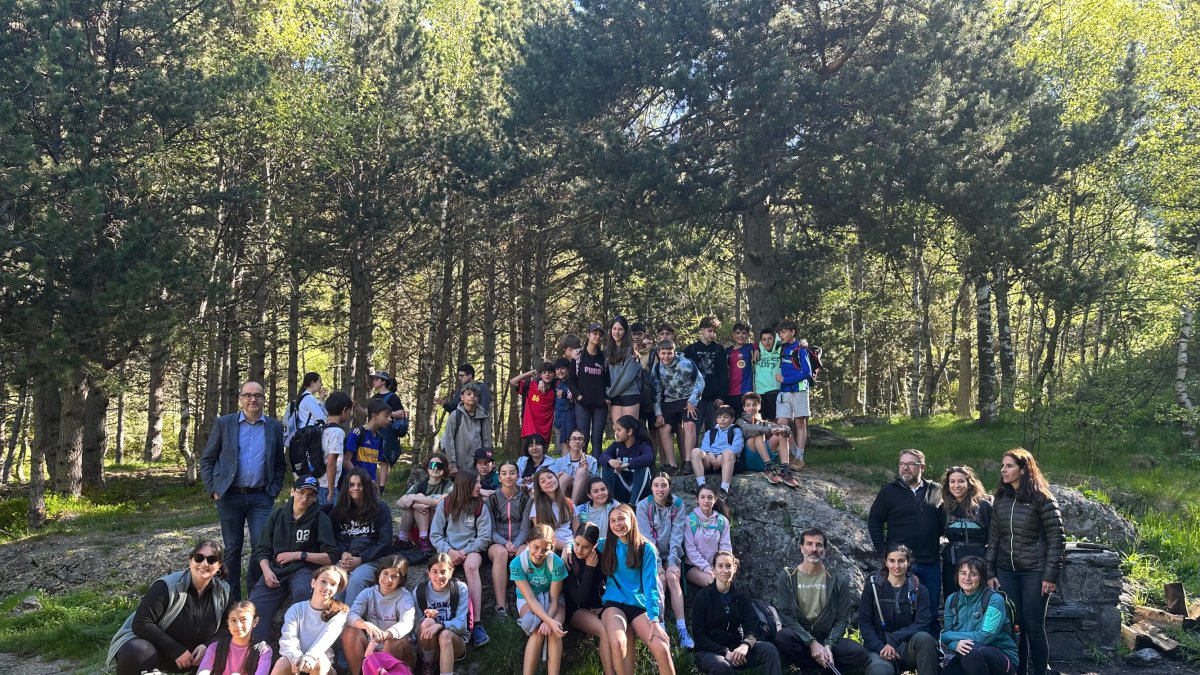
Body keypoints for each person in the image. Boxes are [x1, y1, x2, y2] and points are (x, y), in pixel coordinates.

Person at [200, 380, 286, 599]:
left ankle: (256, 596)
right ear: (241, 398)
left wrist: (272, 490)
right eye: (248, 395)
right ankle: (232, 597)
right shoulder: (225, 423)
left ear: (264, 399)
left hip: (261, 497)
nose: (253, 399)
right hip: (229, 496)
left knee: (261, 546)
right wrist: (214, 489)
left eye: (258, 395)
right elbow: (208, 459)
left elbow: (279, 463)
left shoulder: (274, 427)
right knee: (232, 548)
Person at [987, 448, 1065, 675]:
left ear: (1024, 469)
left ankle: (1040, 671)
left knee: (1033, 626)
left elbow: (1056, 539)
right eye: (1002, 465)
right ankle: (1019, 671)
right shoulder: (1000, 499)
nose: (1004, 470)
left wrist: (1049, 576)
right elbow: (993, 538)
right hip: (1006, 572)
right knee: (1015, 625)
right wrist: (991, 572)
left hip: (1034, 573)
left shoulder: (1042, 498)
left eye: (1009, 466)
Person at [107, 540, 231, 675]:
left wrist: (207, 646)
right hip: (158, 652)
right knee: (137, 649)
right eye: (199, 558)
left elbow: (227, 628)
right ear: (190, 561)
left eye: (211, 560)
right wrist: (176, 651)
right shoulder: (166, 586)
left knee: (226, 649)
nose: (204, 564)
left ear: (219, 566)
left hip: (195, 659)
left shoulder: (224, 592)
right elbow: (141, 623)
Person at [249, 475, 338, 642]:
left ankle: (300, 646)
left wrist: (299, 555)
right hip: (275, 569)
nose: (304, 498)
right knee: (254, 606)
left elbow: (330, 556)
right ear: (292, 491)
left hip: (303, 569)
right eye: (301, 492)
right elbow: (262, 549)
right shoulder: (277, 515)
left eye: (310, 495)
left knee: (304, 593)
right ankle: (260, 654)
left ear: (315, 497)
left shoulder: (320, 519)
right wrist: (266, 571)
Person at [772, 528, 870, 672]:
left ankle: (815, 668)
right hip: (800, 638)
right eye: (809, 544)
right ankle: (815, 669)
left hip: (826, 638)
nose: (814, 549)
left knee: (859, 653)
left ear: (825, 550)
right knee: (783, 637)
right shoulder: (787, 577)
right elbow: (786, 615)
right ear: (801, 548)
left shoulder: (837, 580)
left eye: (819, 545)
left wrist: (828, 645)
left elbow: (843, 619)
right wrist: (811, 643)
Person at [868, 448, 943, 625]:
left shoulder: (936, 490)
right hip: (900, 564)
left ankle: (933, 648)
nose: (905, 468)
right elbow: (874, 522)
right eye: (902, 464)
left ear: (922, 467)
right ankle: (902, 649)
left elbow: (943, 520)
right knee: (902, 611)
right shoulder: (889, 491)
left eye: (910, 464)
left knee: (931, 611)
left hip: (930, 562)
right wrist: (884, 552)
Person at [599, 504, 676, 675]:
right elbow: (580, 542)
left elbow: (650, 586)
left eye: (621, 519)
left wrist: (655, 620)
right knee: (619, 642)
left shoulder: (645, 547)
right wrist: (568, 547)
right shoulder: (606, 545)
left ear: (631, 520)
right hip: (614, 604)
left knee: (661, 647)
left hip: (638, 605)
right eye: (612, 520)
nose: (617, 524)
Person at [691, 551, 783, 675]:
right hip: (708, 652)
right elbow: (699, 636)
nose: (725, 570)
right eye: (720, 566)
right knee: (723, 666)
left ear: (735, 568)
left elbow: (751, 629)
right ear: (713, 569)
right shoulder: (702, 597)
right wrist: (725, 652)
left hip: (736, 649)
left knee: (769, 649)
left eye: (728, 566)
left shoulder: (741, 596)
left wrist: (745, 646)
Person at [430, 468, 493, 647]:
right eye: (477, 483)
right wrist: (449, 551)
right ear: (465, 485)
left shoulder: (480, 506)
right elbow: (435, 535)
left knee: (471, 567)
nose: (480, 486)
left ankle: (477, 624)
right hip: (448, 550)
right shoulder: (446, 504)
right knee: (441, 572)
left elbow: (484, 537)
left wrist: (465, 552)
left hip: (471, 550)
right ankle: (448, 622)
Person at [858, 544, 940, 675]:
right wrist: (881, 647)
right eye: (892, 561)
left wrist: (894, 640)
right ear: (885, 562)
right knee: (879, 672)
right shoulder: (872, 587)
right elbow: (864, 622)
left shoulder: (920, 590)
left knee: (925, 639)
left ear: (908, 562)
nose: (896, 566)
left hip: (907, 647)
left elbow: (922, 623)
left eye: (901, 561)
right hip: (879, 648)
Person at [634, 472, 691, 649]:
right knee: (661, 579)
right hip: (651, 553)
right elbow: (647, 537)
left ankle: (682, 628)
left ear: (669, 487)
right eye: (656, 485)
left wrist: (673, 562)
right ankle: (661, 624)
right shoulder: (643, 506)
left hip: (671, 552)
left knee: (673, 577)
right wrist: (657, 564)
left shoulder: (677, 504)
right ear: (651, 487)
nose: (660, 489)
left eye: (664, 485)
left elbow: (677, 534)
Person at [943, 557, 1019, 675]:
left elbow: (984, 637)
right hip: (967, 655)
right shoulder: (951, 599)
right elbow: (947, 637)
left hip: (1002, 657)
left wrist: (947, 635)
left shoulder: (994, 599)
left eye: (973, 574)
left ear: (981, 577)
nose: (967, 578)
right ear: (957, 575)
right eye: (963, 573)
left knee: (971, 652)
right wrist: (955, 644)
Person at [510, 523, 569, 675]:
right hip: (529, 598)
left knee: (555, 631)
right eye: (535, 547)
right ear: (528, 543)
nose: (539, 553)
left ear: (552, 548)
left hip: (551, 598)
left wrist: (549, 622)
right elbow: (529, 598)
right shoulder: (517, 563)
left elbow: (555, 599)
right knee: (537, 630)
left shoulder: (556, 563)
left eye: (545, 549)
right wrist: (546, 621)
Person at [342, 556, 416, 675]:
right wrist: (366, 625)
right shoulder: (368, 593)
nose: (388, 579)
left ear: (401, 580)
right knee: (349, 632)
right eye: (385, 573)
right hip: (372, 649)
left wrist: (383, 636)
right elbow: (350, 616)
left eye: (394, 576)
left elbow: (407, 623)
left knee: (392, 641)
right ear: (378, 574)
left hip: (398, 654)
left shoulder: (404, 597)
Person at [330, 468, 394, 604]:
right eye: (352, 485)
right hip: (345, 559)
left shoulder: (381, 508)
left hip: (372, 559)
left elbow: (385, 542)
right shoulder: (339, 510)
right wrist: (343, 553)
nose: (356, 488)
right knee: (335, 577)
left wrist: (361, 559)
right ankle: (335, 619)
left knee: (356, 580)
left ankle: (350, 621)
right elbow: (333, 538)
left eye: (360, 485)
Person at [271, 565, 349, 675]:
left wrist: (310, 657)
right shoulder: (296, 609)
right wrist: (296, 658)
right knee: (282, 663)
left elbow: (327, 638)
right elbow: (288, 637)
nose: (327, 587)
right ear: (313, 583)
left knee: (319, 663)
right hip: (296, 660)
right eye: (323, 581)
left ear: (336, 590)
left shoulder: (339, 613)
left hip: (322, 663)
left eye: (333, 584)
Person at [564, 522, 615, 675]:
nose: (579, 550)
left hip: (597, 605)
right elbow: (579, 598)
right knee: (603, 630)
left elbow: (604, 585)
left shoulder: (600, 556)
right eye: (577, 544)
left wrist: (603, 606)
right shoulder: (569, 560)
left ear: (594, 546)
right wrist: (590, 568)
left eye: (585, 546)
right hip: (575, 609)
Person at [651, 339, 704, 475]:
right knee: (663, 429)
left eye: (669, 353)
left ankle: (688, 462)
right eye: (663, 353)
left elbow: (700, 382)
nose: (666, 356)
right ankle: (672, 465)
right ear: (658, 354)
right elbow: (655, 391)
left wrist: (692, 401)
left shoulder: (686, 364)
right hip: (669, 401)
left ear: (674, 352)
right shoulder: (657, 368)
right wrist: (658, 413)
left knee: (689, 426)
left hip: (687, 399)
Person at [487, 460, 532, 620]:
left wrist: (516, 544)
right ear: (499, 477)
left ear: (518, 475)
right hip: (497, 543)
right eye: (504, 473)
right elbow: (490, 530)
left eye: (512, 473)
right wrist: (505, 543)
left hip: (519, 541)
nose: (508, 476)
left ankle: (528, 602)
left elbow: (525, 528)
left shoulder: (526, 499)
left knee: (524, 554)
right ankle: (501, 606)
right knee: (500, 554)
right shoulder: (491, 499)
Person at [414, 553, 471, 675]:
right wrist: (426, 618)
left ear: (451, 572)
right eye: (434, 571)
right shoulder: (419, 591)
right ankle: (429, 665)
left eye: (443, 571)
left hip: (453, 642)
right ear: (428, 573)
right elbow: (415, 629)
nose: (439, 576)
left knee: (445, 635)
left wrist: (440, 625)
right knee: (427, 622)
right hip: (427, 647)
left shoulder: (459, 589)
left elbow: (461, 625)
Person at [940, 465, 993, 597]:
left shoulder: (984, 506)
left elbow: (995, 537)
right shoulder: (944, 509)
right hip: (952, 564)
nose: (956, 485)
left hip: (979, 564)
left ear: (969, 484)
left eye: (961, 481)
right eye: (952, 481)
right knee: (953, 601)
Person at [394, 453, 454, 554]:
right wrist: (415, 504)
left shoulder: (448, 485)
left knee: (419, 497)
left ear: (444, 469)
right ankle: (404, 539)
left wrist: (414, 498)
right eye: (432, 465)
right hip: (418, 529)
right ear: (427, 467)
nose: (435, 468)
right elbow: (399, 502)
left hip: (438, 528)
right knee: (414, 502)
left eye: (439, 466)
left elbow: (438, 502)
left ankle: (423, 539)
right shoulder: (421, 484)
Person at [737, 392, 798, 487]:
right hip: (750, 459)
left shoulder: (764, 422)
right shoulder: (740, 421)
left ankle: (784, 470)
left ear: (759, 406)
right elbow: (749, 429)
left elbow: (785, 430)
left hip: (764, 456)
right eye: (748, 405)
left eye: (754, 405)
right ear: (744, 408)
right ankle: (769, 468)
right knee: (757, 433)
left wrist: (784, 429)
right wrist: (769, 430)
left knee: (781, 433)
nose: (751, 408)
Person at [195, 600, 272, 675]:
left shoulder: (263, 651)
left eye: (243, 619)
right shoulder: (215, 647)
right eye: (233, 620)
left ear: (255, 621)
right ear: (228, 623)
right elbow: (203, 671)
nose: (238, 625)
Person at [366, 372, 409, 493]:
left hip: (387, 431)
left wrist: (384, 414)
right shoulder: (374, 397)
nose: (373, 381)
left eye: (376, 379)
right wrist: (356, 406)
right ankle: (372, 484)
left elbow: (401, 413)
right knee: (371, 456)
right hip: (374, 430)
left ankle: (381, 488)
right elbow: (367, 413)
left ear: (383, 381)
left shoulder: (393, 397)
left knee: (384, 460)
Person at [683, 316, 728, 433]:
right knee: (693, 429)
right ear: (702, 330)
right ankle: (692, 452)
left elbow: (723, 373)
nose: (712, 334)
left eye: (715, 332)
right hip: (695, 397)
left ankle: (712, 451)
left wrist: (721, 396)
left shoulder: (719, 349)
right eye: (710, 331)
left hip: (714, 397)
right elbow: (683, 374)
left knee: (713, 430)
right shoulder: (691, 349)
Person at [570, 322, 609, 456]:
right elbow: (571, 381)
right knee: (582, 438)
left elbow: (608, 381)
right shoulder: (578, 356)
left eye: (600, 335)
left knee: (597, 438)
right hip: (582, 405)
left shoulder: (604, 358)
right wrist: (578, 396)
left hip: (600, 406)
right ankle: (582, 469)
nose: (597, 337)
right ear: (588, 335)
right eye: (594, 333)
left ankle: (597, 471)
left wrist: (607, 398)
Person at [689, 405, 743, 501]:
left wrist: (721, 454)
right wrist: (710, 453)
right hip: (711, 460)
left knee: (727, 453)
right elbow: (705, 445)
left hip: (727, 461)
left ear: (732, 419)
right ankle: (701, 485)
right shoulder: (711, 432)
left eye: (726, 417)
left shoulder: (736, 430)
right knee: (695, 451)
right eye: (719, 417)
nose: (722, 420)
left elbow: (737, 446)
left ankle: (724, 489)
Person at [683, 484, 732, 589]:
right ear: (697, 499)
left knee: (726, 581)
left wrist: (722, 566)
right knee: (714, 583)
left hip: (716, 565)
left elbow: (725, 547)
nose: (706, 501)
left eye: (710, 497)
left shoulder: (722, 521)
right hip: (694, 566)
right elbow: (690, 550)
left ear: (715, 499)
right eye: (702, 497)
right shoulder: (689, 520)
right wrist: (707, 568)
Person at [598, 415, 655, 504]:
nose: (616, 433)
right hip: (623, 488)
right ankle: (609, 503)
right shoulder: (616, 445)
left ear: (629, 431)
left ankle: (632, 505)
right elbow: (602, 457)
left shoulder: (642, 445)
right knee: (606, 466)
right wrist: (611, 461)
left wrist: (628, 464)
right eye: (615, 430)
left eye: (619, 430)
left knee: (643, 468)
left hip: (640, 491)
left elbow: (649, 457)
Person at [775, 321, 811, 460]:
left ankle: (799, 457)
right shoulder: (781, 347)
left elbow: (806, 373)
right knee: (782, 423)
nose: (781, 335)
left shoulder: (801, 348)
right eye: (779, 333)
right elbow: (764, 345)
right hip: (784, 391)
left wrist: (786, 380)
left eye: (783, 332)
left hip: (800, 389)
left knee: (799, 422)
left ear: (793, 332)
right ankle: (794, 450)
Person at [442, 382, 492, 477]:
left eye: (475, 395)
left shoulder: (483, 416)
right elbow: (449, 441)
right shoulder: (455, 415)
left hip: (477, 466)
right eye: (468, 394)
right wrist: (452, 465)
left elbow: (487, 441)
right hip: (458, 466)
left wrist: (488, 460)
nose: (472, 397)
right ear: (462, 397)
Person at [345, 400, 392, 492]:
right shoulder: (358, 433)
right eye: (386, 416)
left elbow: (376, 464)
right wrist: (360, 478)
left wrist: (377, 485)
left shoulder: (380, 438)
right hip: (355, 487)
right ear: (374, 416)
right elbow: (346, 461)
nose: (390, 419)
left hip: (370, 487)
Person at [529, 468, 579, 552]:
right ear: (540, 488)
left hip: (572, 545)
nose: (548, 481)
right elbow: (541, 536)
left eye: (550, 477)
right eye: (543, 481)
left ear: (556, 478)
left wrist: (575, 545)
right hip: (552, 548)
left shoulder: (568, 502)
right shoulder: (537, 507)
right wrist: (567, 547)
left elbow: (577, 530)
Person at [319, 391, 354, 507]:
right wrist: (331, 490)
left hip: (316, 481)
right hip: (326, 485)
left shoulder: (321, 426)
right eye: (349, 411)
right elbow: (331, 462)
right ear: (344, 410)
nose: (350, 414)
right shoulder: (337, 432)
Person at [606, 315, 642, 425]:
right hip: (615, 397)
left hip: (630, 394)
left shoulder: (631, 350)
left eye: (620, 329)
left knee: (630, 431)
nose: (616, 332)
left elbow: (626, 378)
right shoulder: (606, 351)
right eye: (614, 328)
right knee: (618, 431)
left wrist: (609, 393)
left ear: (625, 331)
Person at [510, 362, 558, 443]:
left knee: (542, 454)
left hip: (545, 431)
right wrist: (529, 373)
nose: (547, 375)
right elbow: (512, 381)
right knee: (530, 453)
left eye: (550, 372)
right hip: (530, 429)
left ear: (554, 374)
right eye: (544, 373)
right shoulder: (530, 386)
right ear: (540, 375)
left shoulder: (556, 389)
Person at [555, 429, 598, 504]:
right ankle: (558, 507)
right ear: (569, 442)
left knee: (582, 471)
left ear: (584, 443)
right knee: (564, 477)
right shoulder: (559, 462)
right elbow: (552, 479)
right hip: (565, 493)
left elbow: (596, 483)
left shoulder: (591, 460)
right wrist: (557, 476)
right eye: (574, 439)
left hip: (584, 494)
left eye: (580, 439)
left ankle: (573, 508)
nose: (577, 441)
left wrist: (587, 472)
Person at [286, 372, 327, 446]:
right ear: (312, 383)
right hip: (310, 437)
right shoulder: (309, 398)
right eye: (320, 381)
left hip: (305, 435)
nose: (322, 384)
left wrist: (321, 400)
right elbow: (321, 418)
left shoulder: (304, 396)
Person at [752, 326, 782, 422]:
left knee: (774, 419)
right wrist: (756, 348)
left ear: (774, 339)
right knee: (762, 420)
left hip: (775, 390)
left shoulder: (780, 349)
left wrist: (803, 343)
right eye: (764, 339)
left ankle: (776, 437)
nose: (767, 342)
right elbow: (747, 346)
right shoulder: (757, 351)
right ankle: (765, 437)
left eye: (770, 339)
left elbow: (792, 343)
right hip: (760, 391)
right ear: (761, 341)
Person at [725, 322, 755, 418]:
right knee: (731, 422)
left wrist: (757, 349)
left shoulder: (750, 347)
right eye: (738, 333)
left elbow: (761, 345)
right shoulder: (728, 351)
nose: (741, 335)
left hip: (746, 392)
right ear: (733, 335)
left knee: (747, 421)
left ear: (747, 335)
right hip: (730, 392)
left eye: (744, 333)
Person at [552, 358, 576, 454]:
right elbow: (543, 377)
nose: (559, 371)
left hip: (572, 420)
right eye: (557, 369)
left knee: (572, 447)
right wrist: (540, 381)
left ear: (568, 369)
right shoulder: (556, 382)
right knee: (561, 449)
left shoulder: (574, 381)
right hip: (558, 422)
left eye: (562, 368)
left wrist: (566, 394)